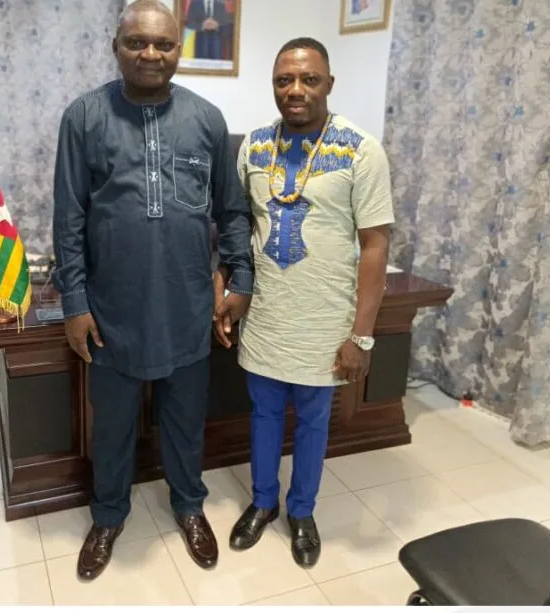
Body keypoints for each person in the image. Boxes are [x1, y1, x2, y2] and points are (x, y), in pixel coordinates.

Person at [52, 0, 253, 581]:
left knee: (186, 422)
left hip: (187, 307)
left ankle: (189, 506)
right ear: (115, 46)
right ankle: (108, 516)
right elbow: (68, 218)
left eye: (163, 44)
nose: (150, 54)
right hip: (111, 311)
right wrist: (74, 302)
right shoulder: (84, 117)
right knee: (113, 426)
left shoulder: (207, 120)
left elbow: (231, 211)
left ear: (178, 50)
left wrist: (240, 278)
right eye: (137, 42)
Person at [217, 37, 394, 568]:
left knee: (314, 423)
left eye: (309, 79)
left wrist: (361, 335)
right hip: (268, 316)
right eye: (284, 80)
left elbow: (375, 244)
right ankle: (263, 502)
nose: (295, 90)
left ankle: (302, 511)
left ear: (328, 84)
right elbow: (236, 225)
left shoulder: (360, 150)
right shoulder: (254, 147)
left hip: (325, 319)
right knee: (264, 414)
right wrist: (227, 287)